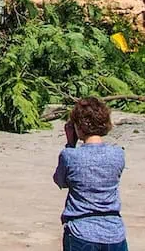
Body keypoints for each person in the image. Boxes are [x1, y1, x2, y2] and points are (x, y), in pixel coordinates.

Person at [52, 95, 127, 251]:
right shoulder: (118, 154)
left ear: (78, 126)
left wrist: (70, 144)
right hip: (114, 232)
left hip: (81, 231)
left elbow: (60, 181)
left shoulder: (70, 156)